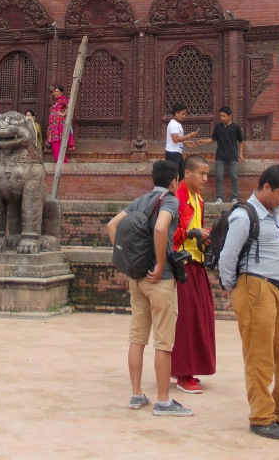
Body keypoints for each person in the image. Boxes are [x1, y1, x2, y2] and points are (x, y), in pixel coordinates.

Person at [220, 164, 279, 440]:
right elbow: (228, 256)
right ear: (266, 188)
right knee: (259, 356)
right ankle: (261, 417)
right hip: (255, 287)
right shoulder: (244, 215)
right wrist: (232, 288)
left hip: (276, 289)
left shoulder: (270, 213)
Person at [105, 160, 193, 417]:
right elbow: (160, 227)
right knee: (163, 341)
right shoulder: (170, 201)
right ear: (175, 181)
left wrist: (130, 261)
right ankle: (164, 401)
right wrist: (160, 263)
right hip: (160, 279)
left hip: (137, 278)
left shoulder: (140, 200)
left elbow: (112, 226)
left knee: (137, 337)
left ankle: (136, 394)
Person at [171, 155, 216, 394]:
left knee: (201, 316)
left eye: (207, 174)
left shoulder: (197, 199)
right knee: (186, 320)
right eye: (201, 173)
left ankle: (186, 368)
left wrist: (204, 234)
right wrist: (191, 233)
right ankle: (183, 373)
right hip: (181, 266)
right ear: (187, 173)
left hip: (196, 263)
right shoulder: (176, 198)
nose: (205, 179)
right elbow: (168, 232)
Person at [210, 106, 245, 204]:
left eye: (223, 116)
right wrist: (202, 141)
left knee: (234, 177)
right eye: (220, 116)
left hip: (232, 156)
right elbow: (213, 139)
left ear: (229, 116)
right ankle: (219, 197)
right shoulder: (218, 127)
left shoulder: (236, 127)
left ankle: (234, 197)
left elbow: (241, 141)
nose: (221, 118)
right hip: (220, 156)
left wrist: (240, 154)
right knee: (219, 177)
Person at [164, 103, 198, 178]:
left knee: (182, 173)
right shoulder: (173, 124)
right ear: (176, 113)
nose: (184, 116)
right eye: (182, 114)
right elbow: (175, 139)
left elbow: (177, 138)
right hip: (172, 153)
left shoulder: (177, 124)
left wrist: (185, 142)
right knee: (174, 175)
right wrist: (189, 136)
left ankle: (179, 189)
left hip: (177, 152)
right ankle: (173, 189)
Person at [47, 84, 74, 163]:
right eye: (54, 91)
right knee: (55, 142)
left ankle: (62, 162)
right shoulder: (57, 101)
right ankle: (60, 161)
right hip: (54, 125)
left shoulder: (63, 99)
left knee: (57, 142)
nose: (55, 93)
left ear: (61, 92)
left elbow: (69, 106)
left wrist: (63, 114)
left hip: (59, 124)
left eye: (57, 91)